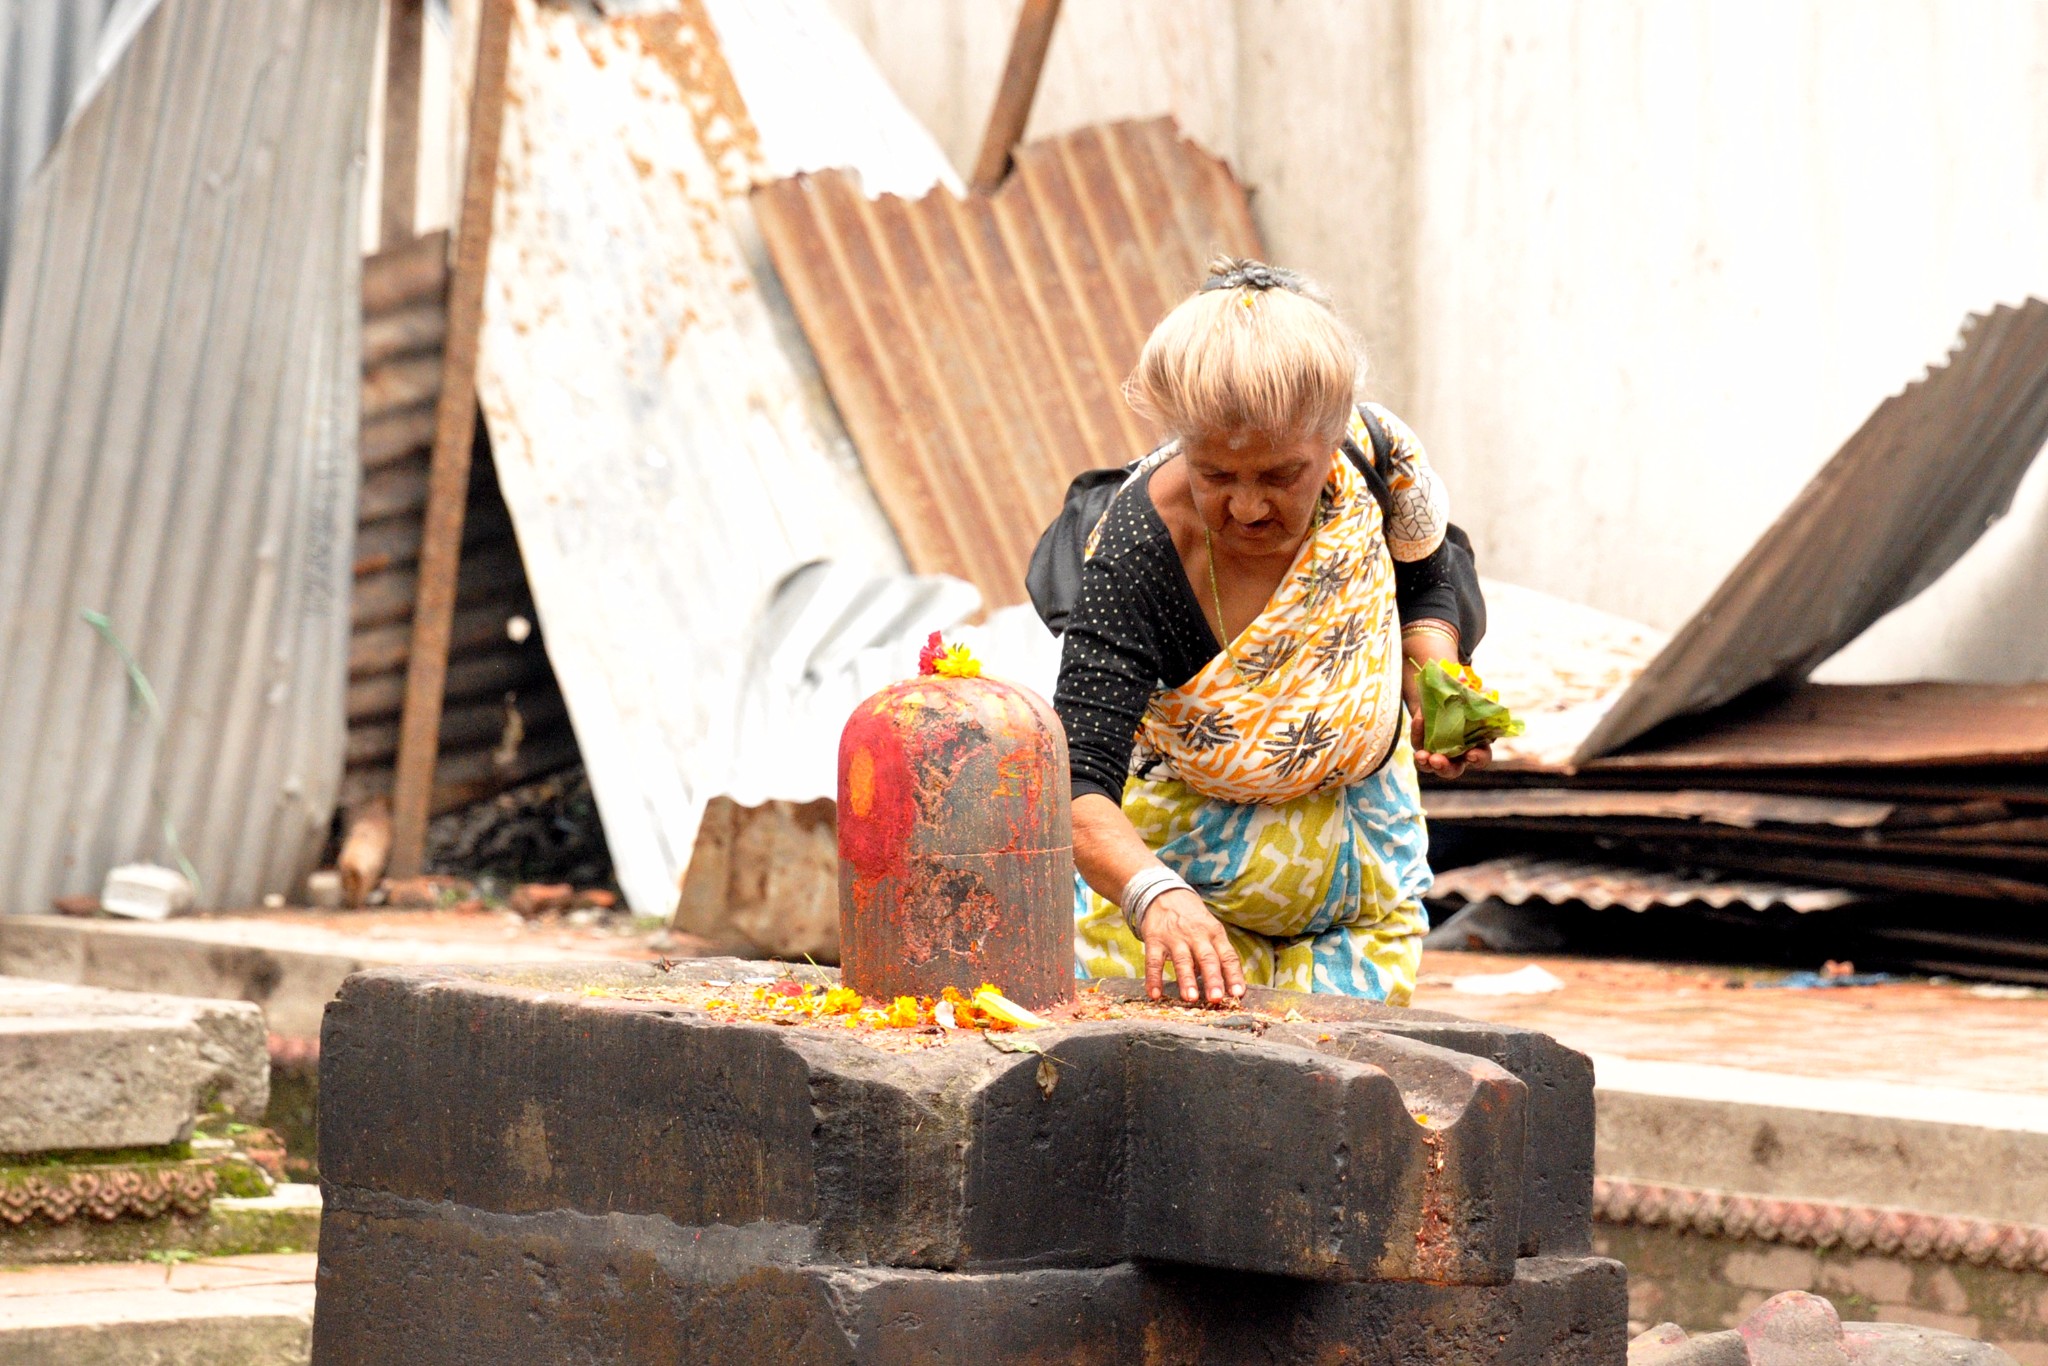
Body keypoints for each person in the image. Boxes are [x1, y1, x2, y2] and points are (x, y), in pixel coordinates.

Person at [1053, 256, 1486, 1007]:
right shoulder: (1136, 552)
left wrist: (1437, 689)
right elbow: (1074, 780)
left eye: (1283, 475)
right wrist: (1154, 895)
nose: (1248, 508)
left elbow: (1425, 583)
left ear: (1333, 434)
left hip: (1362, 883)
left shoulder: (1380, 464)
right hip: (1181, 895)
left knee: (1349, 1089)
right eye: (1216, 475)